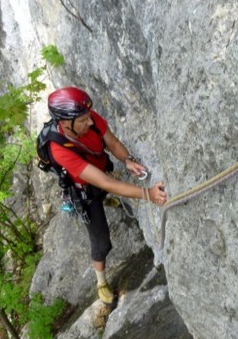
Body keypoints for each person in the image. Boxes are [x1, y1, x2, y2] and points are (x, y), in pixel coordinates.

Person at [47, 86, 167, 305]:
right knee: (102, 242)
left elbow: (110, 142)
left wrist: (127, 160)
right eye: (83, 121)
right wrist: (147, 194)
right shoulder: (59, 149)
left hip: (100, 170)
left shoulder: (85, 116)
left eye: (88, 118)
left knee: (104, 190)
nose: (90, 122)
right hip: (85, 190)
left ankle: (106, 199)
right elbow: (105, 182)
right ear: (65, 123)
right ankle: (101, 282)